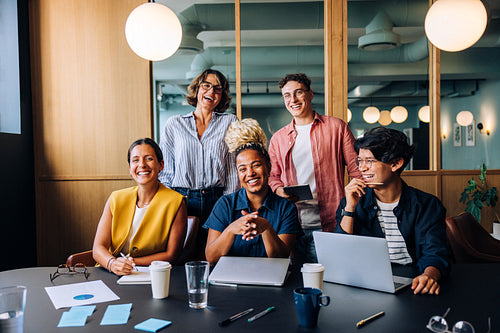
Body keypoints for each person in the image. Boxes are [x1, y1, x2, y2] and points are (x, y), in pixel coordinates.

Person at [335, 127, 450, 295]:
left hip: (413, 282)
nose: (362, 168)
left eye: (370, 161)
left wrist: (428, 276)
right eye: (359, 161)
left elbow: (435, 252)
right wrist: (350, 209)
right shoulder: (352, 201)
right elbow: (339, 252)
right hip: (365, 283)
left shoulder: (427, 205)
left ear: (396, 163)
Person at [268, 73, 361, 264]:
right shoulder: (278, 138)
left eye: (298, 93)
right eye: (287, 95)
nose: (292, 100)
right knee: (296, 283)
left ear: (310, 94)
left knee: (333, 280)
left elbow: (357, 170)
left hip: (333, 222)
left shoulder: (337, 127)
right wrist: (279, 190)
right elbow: (273, 177)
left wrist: (354, 208)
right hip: (293, 225)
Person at [158, 69, 239, 258]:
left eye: (218, 89)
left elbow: (233, 171)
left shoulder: (230, 122)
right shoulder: (174, 124)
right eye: (206, 86)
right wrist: (171, 205)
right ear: (197, 89)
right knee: (181, 257)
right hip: (183, 200)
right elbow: (167, 172)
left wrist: (227, 205)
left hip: (217, 200)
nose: (211, 92)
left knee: (215, 258)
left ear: (222, 96)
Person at [204, 119, 302, 265]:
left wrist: (267, 229)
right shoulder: (225, 205)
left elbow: (281, 258)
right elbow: (211, 258)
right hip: (232, 278)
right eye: (242, 169)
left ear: (268, 167)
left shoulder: (286, 208)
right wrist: (231, 230)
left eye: (256, 165)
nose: (250, 173)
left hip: (271, 280)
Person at [93, 138, 187, 275]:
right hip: (111, 272)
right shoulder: (116, 198)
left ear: (161, 165)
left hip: (151, 274)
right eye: (135, 160)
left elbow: (171, 254)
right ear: (130, 168)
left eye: (149, 159)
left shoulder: (176, 202)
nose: (142, 164)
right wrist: (112, 263)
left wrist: (130, 263)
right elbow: (98, 248)